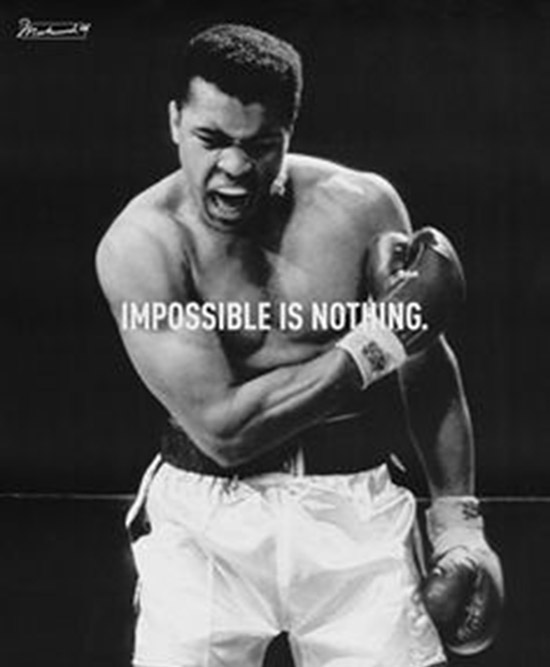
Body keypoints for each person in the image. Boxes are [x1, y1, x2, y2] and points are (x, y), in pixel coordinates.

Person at [96, 24, 503, 667]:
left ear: (289, 130)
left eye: (260, 145)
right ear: (175, 122)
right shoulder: (143, 245)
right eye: (211, 140)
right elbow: (226, 429)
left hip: (356, 509)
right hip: (205, 524)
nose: (235, 167)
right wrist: (376, 344)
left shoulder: (362, 208)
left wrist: (459, 524)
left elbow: (426, 368)